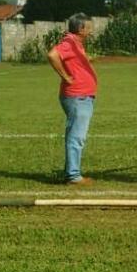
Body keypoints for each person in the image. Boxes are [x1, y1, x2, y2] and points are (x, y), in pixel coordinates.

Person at [47, 13, 98, 186]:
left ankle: (71, 172)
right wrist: (66, 76)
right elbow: (53, 55)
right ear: (80, 28)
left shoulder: (75, 43)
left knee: (74, 135)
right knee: (77, 136)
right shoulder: (69, 42)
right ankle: (73, 175)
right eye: (89, 27)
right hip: (77, 96)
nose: (91, 31)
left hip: (81, 96)